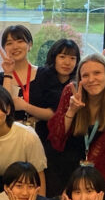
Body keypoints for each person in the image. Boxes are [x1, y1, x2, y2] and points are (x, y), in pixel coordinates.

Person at [47, 53, 105, 196]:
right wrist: (72, 110)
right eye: (85, 75)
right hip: (62, 167)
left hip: (95, 173)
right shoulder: (71, 92)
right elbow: (56, 138)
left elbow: (103, 147)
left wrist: (79, 184)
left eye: (97, 73)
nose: (91, 79)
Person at [27, 38, 80, 187]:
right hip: (44, 140)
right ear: (54, 58)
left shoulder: (78, 84)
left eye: (72, 58)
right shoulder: (42, 78)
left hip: (72, 143)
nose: (67, 62)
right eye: (62, 57)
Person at [0, 25, 38, 124]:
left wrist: (25, 107)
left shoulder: (45, 75)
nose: (15, 47)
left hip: (39, 132)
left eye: (20, 41)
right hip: (8, 132)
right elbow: (2, 109)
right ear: (4, 48)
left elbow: (52, 113)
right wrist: (7, 74)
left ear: (30, 45)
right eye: (9, 43)